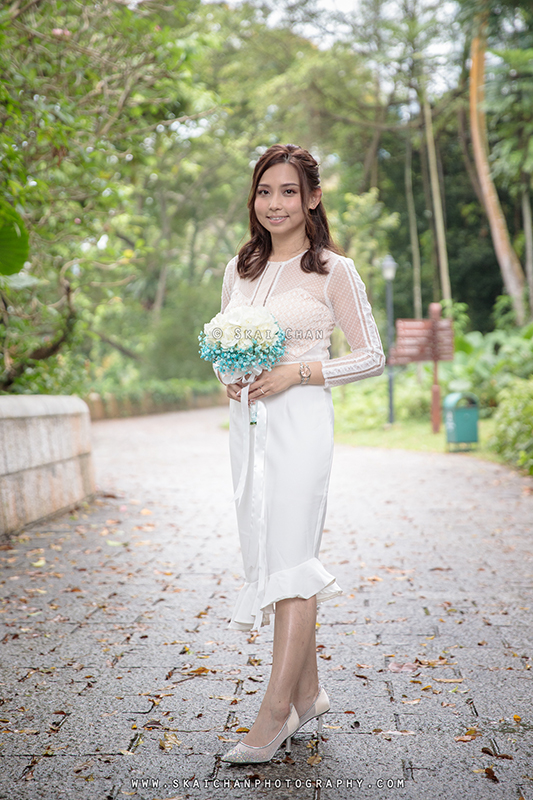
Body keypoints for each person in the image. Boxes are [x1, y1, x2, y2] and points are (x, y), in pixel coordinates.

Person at [216, 143, 385, 764]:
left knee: (292, 559)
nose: (275, 203)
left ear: (312, 197)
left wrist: (298, 374)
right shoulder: (240, 269)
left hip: (302, 420)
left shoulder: (333, 271)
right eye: (265, 191)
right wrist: (228, 376)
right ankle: (310, 694)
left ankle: (275, 713)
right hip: (249, 425)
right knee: (267, 552)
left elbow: (371, 355)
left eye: (289, 191)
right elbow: (222, 346)